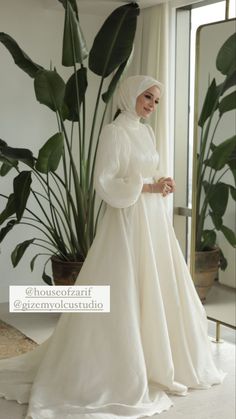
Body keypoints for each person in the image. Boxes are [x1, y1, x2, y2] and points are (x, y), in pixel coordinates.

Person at [0, 75, 226, 418]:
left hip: (152, 223)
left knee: (157, 285)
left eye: (155, 101)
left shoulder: (146, 132)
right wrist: (147, 188)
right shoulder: (114, 132)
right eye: (146, 97)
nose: (150, 105)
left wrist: (161, 181)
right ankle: (117, 366)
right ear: (130, 95)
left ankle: (160, 360)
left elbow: (145, 171)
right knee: (123, 289)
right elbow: (105, 182)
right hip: (126, 221)